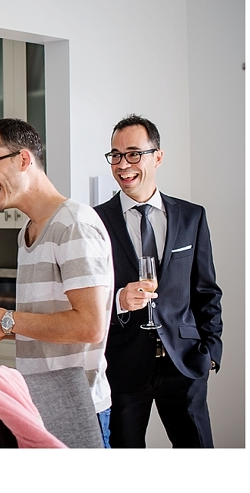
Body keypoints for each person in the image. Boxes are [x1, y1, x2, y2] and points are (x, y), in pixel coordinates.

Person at [0, 118, 114, 446]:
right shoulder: (27, 233)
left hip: (78, 408)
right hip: (38, 406)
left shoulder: (73, 225)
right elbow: (42, 323)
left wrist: (7, 321)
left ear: (24, 159)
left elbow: (90, 326)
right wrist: (5, 327)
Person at [94, 114, 222, 448]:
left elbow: (206, 291)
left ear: (158, 157)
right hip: (122, 369)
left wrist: (210, 352)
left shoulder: (192, 217)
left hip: (184, 363)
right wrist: (120, 298)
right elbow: (88, 298)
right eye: (116, 155)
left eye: (134, 153)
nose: (123, 164)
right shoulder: (94, 221)